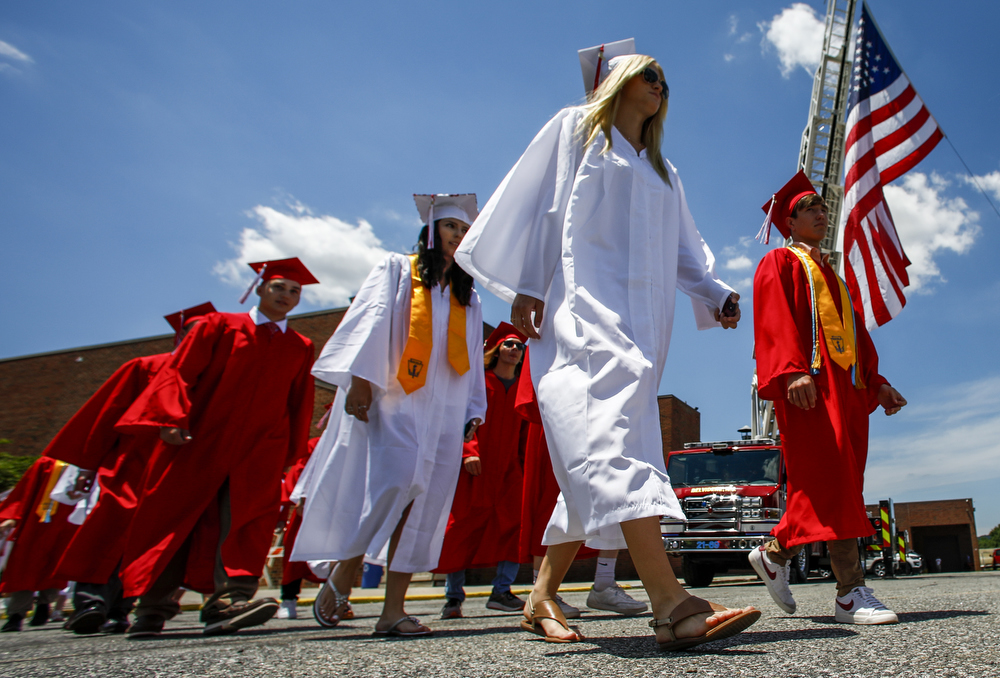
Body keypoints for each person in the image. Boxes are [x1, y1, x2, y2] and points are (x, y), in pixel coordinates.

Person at [454, 39, 758, 649]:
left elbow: (684, 253)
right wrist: (527, 285)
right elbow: (541, 208)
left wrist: (716, 294)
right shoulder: (577, 133)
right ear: (616, 80)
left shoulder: (663, 172)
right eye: (649, 75)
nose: (659, 87)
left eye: (665, 83)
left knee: (598, 456)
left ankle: (540, 595)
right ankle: (670, 601)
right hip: (585, 311)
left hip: (646, 328)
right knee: (616, 441)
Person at [291, 193, 487, 638]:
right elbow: (372, 318)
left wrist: (474, 407)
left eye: (464, 230)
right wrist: (360, 378)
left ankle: (392, 610)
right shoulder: (398, 269)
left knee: (425, 500)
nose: (458, 236)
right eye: (451, 227)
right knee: (395, 482)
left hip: (445, 407)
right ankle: (347, 567)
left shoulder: (467, 295)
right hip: (396, 397)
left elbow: (473, 354)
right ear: (432, 230)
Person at [115, 259, 317, 638]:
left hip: (260, 449)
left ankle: (232, 600)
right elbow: (180, 373)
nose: (287, 296)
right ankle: (152, 608)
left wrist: (289, 454)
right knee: (175, 520)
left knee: (247, 522)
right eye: (279, 287)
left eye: (295, 291)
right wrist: (171, 418)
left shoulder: (300, 346)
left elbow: (298, 403)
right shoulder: (219, 325)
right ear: (259, 288)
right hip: (201, 441)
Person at [749, 170, 907, 625]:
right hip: (811, 390)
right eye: (810, 209)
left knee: (834, 482)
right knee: (833, 479)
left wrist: (877, 382)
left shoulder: (834, 277)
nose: (822, 214)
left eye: (822, 208)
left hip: (849, 391)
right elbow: (773, 319)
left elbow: (856, 335)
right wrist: (792, 370)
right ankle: (849, 591)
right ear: (790, 221)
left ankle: (775, 553)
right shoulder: (780, 263)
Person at [53, 303, 216, 635]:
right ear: (179, 335)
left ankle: (121, 609)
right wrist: (86, 467)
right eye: (190, 333)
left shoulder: (212, 377)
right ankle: (90, 603)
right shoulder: (144, 367)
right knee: (109, 530)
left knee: (151, 540)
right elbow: (104, 417)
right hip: (131, 466)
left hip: (177, 468)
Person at [515, 353, 645, 618]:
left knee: (616, 488)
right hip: (562, 409)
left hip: (601, 404)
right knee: (552, 499)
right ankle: (542, 592)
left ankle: (605, 583)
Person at [436, 323, 529, 619]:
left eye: (519, 346)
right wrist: (468, 452)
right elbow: (463, 421)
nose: (514, 350)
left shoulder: (523, 390)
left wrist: (526, 467)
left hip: (510, 471)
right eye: (509, 345)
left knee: (513, 527)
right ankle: (453, 597)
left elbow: (527, 432)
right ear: (497, 349)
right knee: (461, 528)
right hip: (476, 467)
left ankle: (501, 591)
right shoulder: (479, 383)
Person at [0, 457, 81, 632]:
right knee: (23, 568)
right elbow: (24, 492)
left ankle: (45, 606)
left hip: (66, 526)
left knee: (56, 568)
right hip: (34, 526)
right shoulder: (46, 464)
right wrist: (10, 518)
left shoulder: (85, 466)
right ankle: (16, 614)